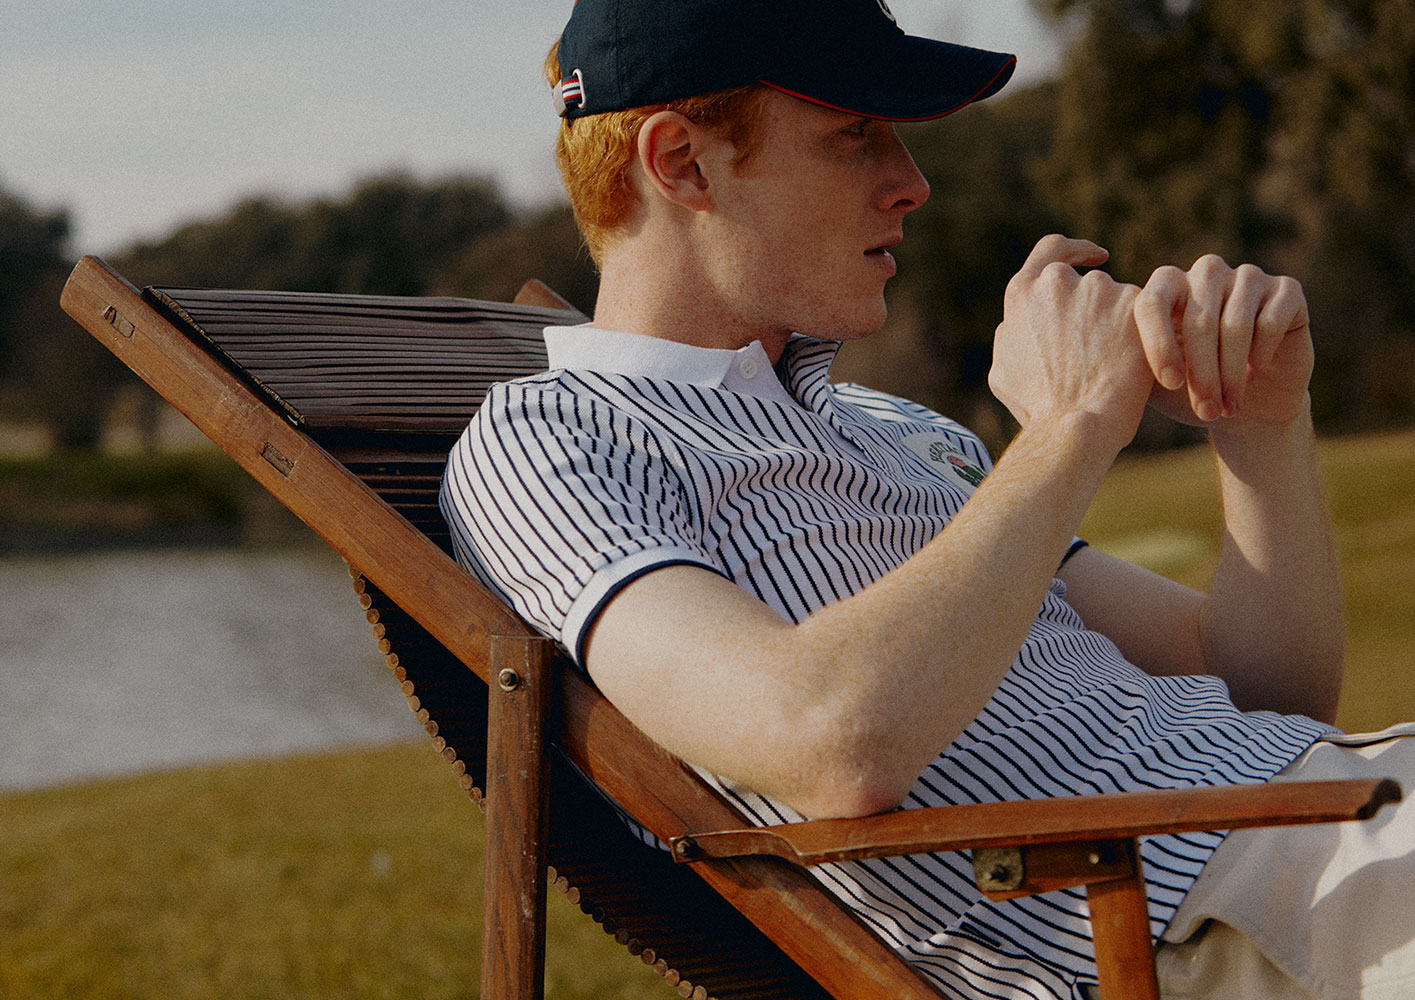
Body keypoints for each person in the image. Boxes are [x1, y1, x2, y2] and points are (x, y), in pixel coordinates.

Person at [439, 1, 1415, 997]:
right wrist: (1070, 427)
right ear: (682, 163)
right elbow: (830, 741)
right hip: (1189, 912)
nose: (910, 182)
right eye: (852, 134)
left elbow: (1262, 690)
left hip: (1330, 819)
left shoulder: (893, 427)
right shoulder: (550, 444)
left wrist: (1256, 429)